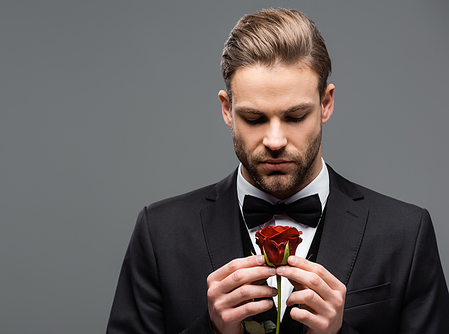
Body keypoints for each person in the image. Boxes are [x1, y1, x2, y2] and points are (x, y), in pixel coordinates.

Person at [106, 8, 449, 334]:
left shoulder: (405, 234)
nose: (274, 139)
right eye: (254, 118)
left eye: (295, 117)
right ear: (227, 110)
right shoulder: (160, 233)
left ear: (326, 104)